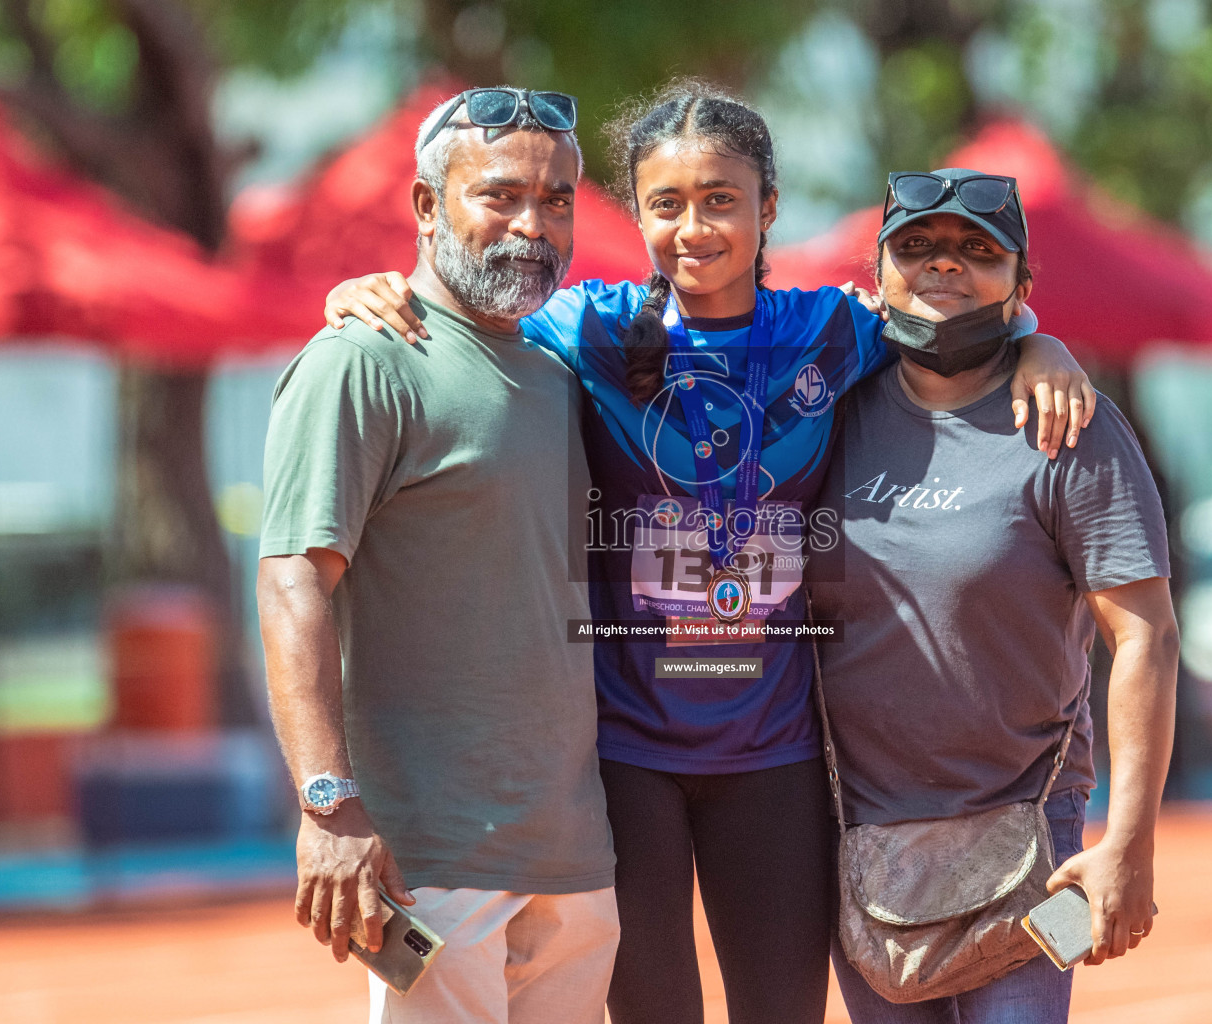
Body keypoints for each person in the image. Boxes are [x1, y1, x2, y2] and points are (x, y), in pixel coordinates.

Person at [321, 81, 1096, 1024]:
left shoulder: (834, 332)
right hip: (622, 759)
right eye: (667, 204)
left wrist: (1035, 338)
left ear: (768, 207)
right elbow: (460, 302)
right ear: (637, 212)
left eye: (721, 200)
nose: (695, 228)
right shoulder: (584, 329)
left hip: (773, 757)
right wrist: (370, 286)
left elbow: (952, 314)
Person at [256, 87, 618, 1024]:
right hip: (433, 869)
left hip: (576, 861)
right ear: (426, 207)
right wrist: (330, 808)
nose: (531, 226)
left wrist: (1031, 345)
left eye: (557, 201)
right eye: (499, 196)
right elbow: (294, 580)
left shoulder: (558, 373)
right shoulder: (361, 361)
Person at [808, 167, 1180, 1024]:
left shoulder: (1068, 427)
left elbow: (1146, 637)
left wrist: (1130, 843)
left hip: (1034, 834)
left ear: (1020, 285)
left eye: (978, 251)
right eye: (918, 248)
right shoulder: (826, 410)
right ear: (878, 277)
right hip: (859, 839)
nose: (945, 266)